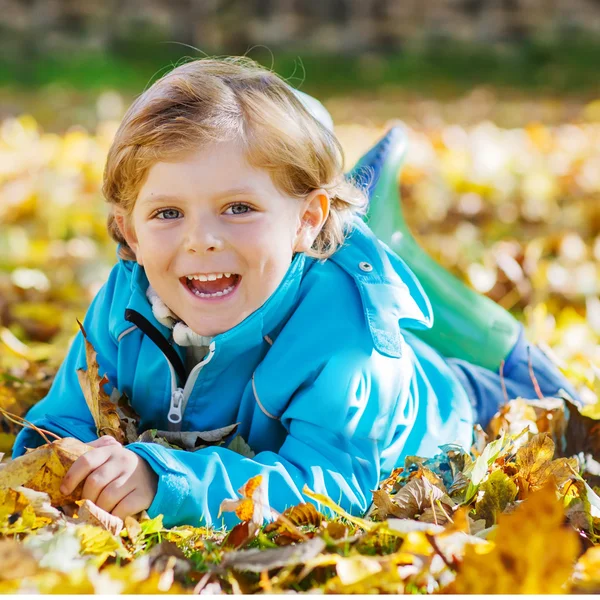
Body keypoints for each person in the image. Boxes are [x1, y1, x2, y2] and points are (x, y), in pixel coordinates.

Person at [12, 57, 579, 527]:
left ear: (308, 219)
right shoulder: (122, 302)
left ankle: (510, 354)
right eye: (167, 212)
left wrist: (165, 481)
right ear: (130, 230)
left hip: (455, 406)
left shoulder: (346, 338)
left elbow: (328, 487)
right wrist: (56, 467)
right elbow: (64, 421)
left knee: (557, 403)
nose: (202, 240)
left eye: (239, 208)